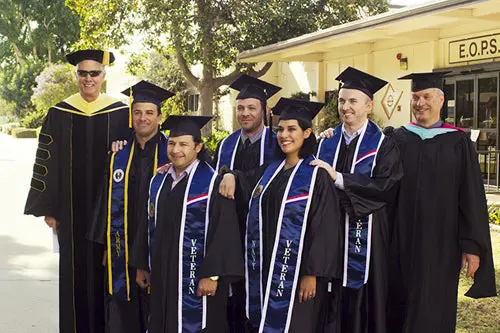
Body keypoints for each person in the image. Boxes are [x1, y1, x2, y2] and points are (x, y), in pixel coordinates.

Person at [24, 49, 131, 333]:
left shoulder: (122, 113)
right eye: (82, 73)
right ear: (77, 76)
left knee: (107, 275)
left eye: (94, 73)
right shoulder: (59, 113)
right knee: (73, 277)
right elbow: (46, 160)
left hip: (110, 213)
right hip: (70, 212)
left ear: (103, 76)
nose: (88, 79)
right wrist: (48, 209)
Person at [386, 72, 496, 333]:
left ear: (441, 100)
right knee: (397, 302)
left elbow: (470, 197)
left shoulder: (458, 142)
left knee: (435, 304)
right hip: (400, 240)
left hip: (442, 244)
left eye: (426, 97)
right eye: (415, 97)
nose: (420, 103)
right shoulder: (397, 139)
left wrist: (472, 246)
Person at [224, 98, 343, 333]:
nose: (283, 135)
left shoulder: (315, 175)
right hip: (265, 267)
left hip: (298, 272)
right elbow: (243, 181)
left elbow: (325, 228)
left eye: (291, 129)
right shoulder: (271, 170)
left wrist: (312, 274)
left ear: (307, 132)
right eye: (280, 129)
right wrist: (230, 175)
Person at [131, 115, 244, 333]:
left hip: (199, 277)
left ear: (198, 147)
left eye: (184, 144)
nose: (176, 150)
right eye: (172, 144)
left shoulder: (213, 184)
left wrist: (212, 275)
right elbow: (147, 224)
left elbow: (225, 233)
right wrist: (142, 265)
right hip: (163, 273)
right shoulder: (159, 181)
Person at [314, 67, 402, 333]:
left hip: (369, 236)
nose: (346, 107)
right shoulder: (326, 142)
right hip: (330, 237)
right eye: (342, 101)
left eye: (353, 101)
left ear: (368, 105)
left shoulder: (383, 144)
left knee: (363, 302)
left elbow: (386, 186)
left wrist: (339, 178)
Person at [88, 81, 173, 333]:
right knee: (121, 308)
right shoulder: (118, 155)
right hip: (121, 244)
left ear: (159, 116)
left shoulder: (173, 153)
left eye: (149, 113)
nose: (143, 118)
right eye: (137, 112)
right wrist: (106, 247)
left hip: (158, 244)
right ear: (131, 116)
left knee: (155, 308)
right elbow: (104, 201)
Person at [213, 73, 281, 333]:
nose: (245, 113)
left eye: (251, 107)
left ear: (264, 110)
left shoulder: (278, 143)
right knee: (233, 299)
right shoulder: (225, 146)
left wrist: (234, 176)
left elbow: (272, 178)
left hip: (265, 234)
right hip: (232, 236)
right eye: (240, 108)